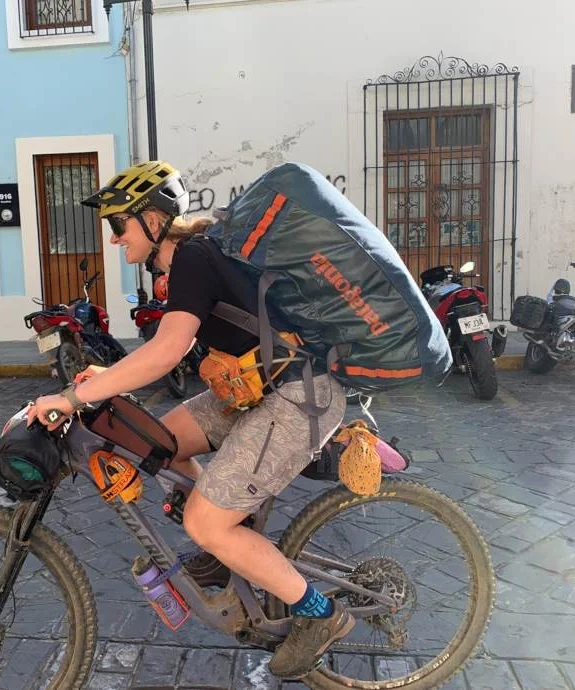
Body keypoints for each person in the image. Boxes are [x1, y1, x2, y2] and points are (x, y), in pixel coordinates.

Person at [27, 160, 352, 679]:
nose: (114, 240)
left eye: (119, 225)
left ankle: (320, 614)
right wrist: (103, 378)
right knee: (158, 441)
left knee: (204, 520)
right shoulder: (192, 262)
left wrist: (72, 397)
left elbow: (164, 352)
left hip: (298, 397)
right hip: (256, 389)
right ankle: (232, 541)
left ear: (153, 220)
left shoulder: (195, 258)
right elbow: (172, 353)